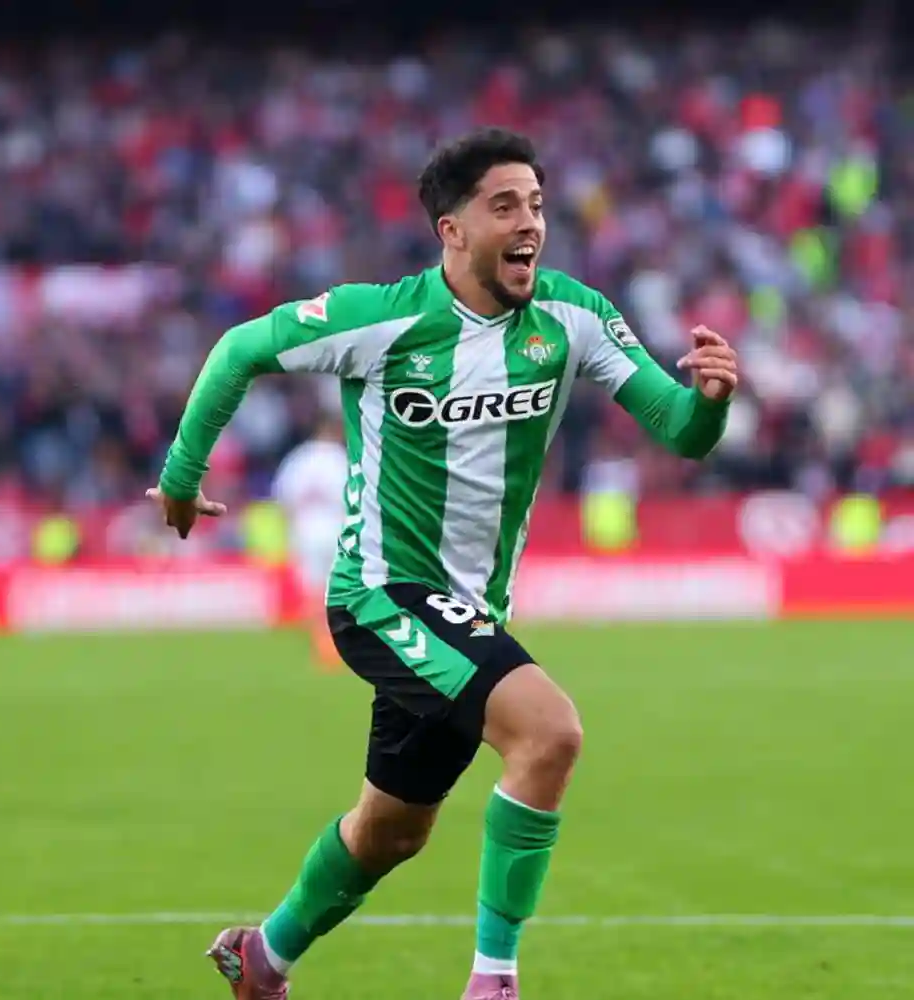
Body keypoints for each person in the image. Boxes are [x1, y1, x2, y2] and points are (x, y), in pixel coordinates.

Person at [148, 128, 738, 1000]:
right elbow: (239, 350)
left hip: (467, 617)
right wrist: (179, 480)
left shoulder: (573, 317)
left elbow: (680, 434)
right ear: (451, 230)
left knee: (391, 832)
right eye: (504, 205)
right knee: (550, 733)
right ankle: (493, 984)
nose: (529, 221)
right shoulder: (384, 318)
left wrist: (713, 402)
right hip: (381, 595)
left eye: (535, 203)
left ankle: (261, 959)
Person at [268, 414, 349, 669]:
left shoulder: (298, 458)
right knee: (339, 589)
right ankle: (340, 642)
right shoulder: (340, 457)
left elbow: (283, 498)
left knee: (314, 590)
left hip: (306, 531)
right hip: (337, 529)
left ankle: (322, 642)